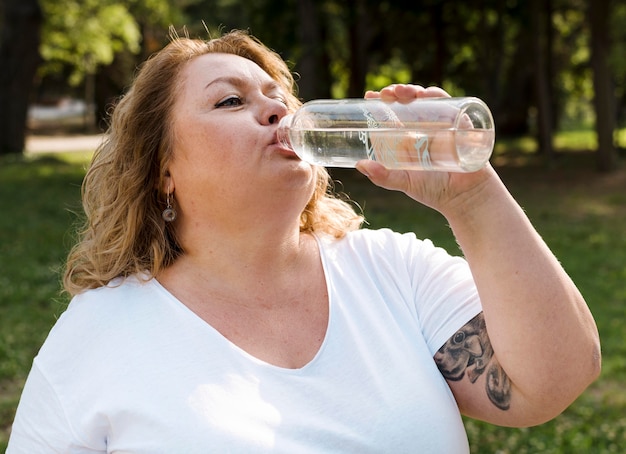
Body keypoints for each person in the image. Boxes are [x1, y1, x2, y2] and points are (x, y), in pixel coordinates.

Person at [7, 29, 600, 453]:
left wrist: (472, 197)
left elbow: (549, 382)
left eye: (278, 97)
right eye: (231, 100)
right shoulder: (98, 335)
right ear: (164, 170)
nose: (275, 110)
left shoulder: (392, 270)